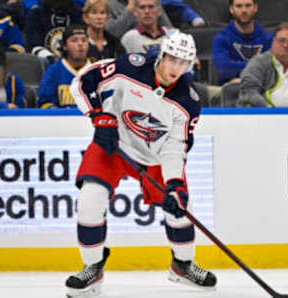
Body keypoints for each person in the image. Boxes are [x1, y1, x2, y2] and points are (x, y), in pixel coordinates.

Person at [65, 30, 217, 297]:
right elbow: (82, 82)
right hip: (114, 143)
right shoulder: (129, 66)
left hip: (153, 158)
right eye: (173, 59)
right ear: (162, 54)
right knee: (90, 200)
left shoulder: (188, 102)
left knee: (181, 207)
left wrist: (174, 186)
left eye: (184, 63)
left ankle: (182, 265)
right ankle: (92, 269)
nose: (176, 68)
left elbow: (175, 148)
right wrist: (98, 116)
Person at [238, 22, 288, 107]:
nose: (285, 45)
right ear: (273, 42)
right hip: (262, 116)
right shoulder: (259, 62)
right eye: (281, 40)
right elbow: (249, 92)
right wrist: (270, 113)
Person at [212, 0, 272, 85]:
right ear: (231, 9)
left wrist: (242, 78)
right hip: (231, 92)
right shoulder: (221, 38)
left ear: (255, 8)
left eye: (248, 5)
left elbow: (272, 70)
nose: (244, 10)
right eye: (239, 6)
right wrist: (259, 68)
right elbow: (224, 69)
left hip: (262, 89)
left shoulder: (268, 38)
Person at [37, 24, 91, 108]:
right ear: (65, 46)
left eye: (84, 40)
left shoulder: (98, 70)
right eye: (74, 40)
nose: (80, 44)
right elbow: (45, 103)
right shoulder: (53, 71)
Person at [105, 0, 173, 40]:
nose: (147, 11)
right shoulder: (107, 4)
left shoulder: (150, 2)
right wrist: (130, 8)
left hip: (154, 44)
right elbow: (112, 33)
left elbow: (170, 30)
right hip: (125, 51)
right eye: (142, 7)